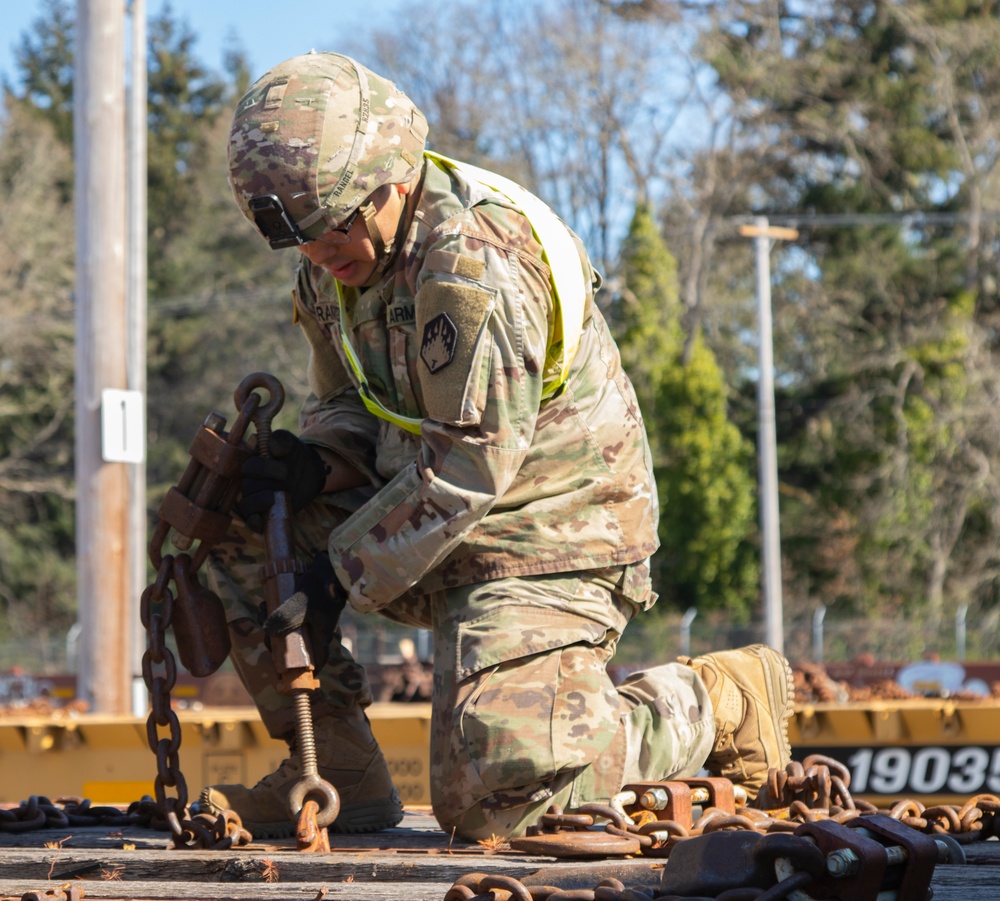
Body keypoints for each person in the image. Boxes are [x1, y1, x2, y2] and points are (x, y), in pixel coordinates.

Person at [194, 50, 794, 841]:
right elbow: (350, 403)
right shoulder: (334, 263)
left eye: (331, 226)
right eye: (299, 238)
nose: (317, 253)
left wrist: (338, 571)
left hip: (549, 528)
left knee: (503, 805)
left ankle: (715, 698)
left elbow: (474, 463)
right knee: (233, 524)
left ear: (391, 179)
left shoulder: (474, 263)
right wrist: (310, 464)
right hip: (422, 509)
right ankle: (336, 769)